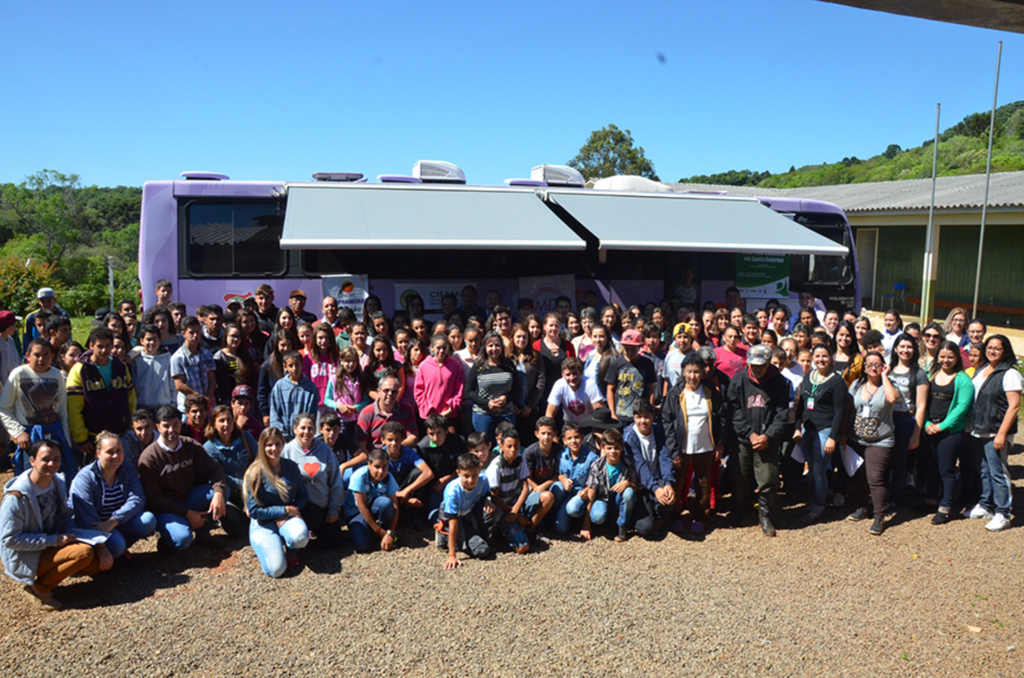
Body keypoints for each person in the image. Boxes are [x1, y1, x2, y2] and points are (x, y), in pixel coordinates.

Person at [1, 439, 110, 610]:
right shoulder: (16, 498)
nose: (52, 464)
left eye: (56, 459)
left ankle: (51, 574)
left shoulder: (56, 482)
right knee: (83, 553)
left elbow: (65, 516)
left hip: (52, 542)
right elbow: (10, 540)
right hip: (26, 554)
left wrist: (77, 538)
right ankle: (38, 588)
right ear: (32, 461)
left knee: (96, 562)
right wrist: (54, 541)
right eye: (45, 459)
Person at [137, 406, 228, 553]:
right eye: (166, 426)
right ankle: (168, 541)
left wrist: (218, 494)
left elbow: (215, 469)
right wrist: (187, 513)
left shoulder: (189, 445)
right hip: (165, 508)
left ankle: (203, 534)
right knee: (183, 540)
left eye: (175, 424)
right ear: (157, 427)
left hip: (189, 498)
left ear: (181, 424)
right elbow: (154, 499)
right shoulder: (149, 458)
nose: (171, 430)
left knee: (222, 491)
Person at [727, 344, 788, 537]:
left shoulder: (780, 382)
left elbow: (782, 414)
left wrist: (767, 436)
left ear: (769, 362)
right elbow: (733, 410)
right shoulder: (738, 381)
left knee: (768, 479)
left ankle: (765, 515)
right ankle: (738, 508)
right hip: (744, 439)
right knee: (739, 475)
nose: (758, 369)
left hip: (767, 440)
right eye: (754, 365)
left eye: (762, 365)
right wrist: (749, 434)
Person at [68, 432, 157, 560]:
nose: (115, 456)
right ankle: (104, 554)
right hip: (95, 527)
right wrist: (101, 546)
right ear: (98, 454)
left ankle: (118, 551)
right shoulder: (85, 478)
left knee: (148, 520)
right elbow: (85, 517)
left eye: (119, 451)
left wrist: (113, 521)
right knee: (117, 546)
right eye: (110, 452)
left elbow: (137, 499)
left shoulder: (128, 469)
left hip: (115, 523)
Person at [964, 335, 1020, 532]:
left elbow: (1013, 406)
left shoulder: (1010, 373)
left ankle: (1003, 512)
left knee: (998, 471)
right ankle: (986, 505)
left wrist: (1002, 434)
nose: (993, 351)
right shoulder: (982, 369)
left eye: (998, 348)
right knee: (984, 469)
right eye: (990, 347)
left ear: (1005, 351)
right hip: (978, 429)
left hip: (995, 430)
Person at [663, 353, 723, 534]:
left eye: (696, 372)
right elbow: (667, 421)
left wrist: (719, 444)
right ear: (683, 372)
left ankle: (700, 516)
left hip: (705, 446)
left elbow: (721, 418)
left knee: (703, 483)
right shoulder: (675, 393)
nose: (693, 376)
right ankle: (676, 515)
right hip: (683, 446)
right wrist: (673, 451)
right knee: (679, 482)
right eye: (689, 371)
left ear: (703, 372)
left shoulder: (711, 390)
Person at [242, 427, 310, 577]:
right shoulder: (254, 473)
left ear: (283, 444)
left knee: (300, 536)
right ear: (261, 446)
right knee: (276, 570)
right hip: (262, 523)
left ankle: (291, 550)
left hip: (288, 517)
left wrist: (292, 511)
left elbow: (302, 495)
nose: (274, 449)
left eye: (277, 444)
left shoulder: (291, 467)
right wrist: (283, 511)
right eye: (269, 445)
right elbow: (254, 511)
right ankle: (270, 546)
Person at [0, 339, 73, 477]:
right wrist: (18, 433)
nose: (41, 359)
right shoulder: (19, 374)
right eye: (37, 355)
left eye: (46, 355)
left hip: (54, 435)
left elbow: (62, 410)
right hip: (29, 438)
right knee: (31, 478)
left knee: (56, 475)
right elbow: (4, 407)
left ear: (52, 356)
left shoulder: (56, 375)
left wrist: (66, 441)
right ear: (28, 355)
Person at [792, 345, 848, 524]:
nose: (820, 360)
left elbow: (840, 412)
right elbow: (801, 405)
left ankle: (819, 508)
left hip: (825, 430)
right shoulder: (809, 376)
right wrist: (798, 427)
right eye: (817, 356)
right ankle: (812, 502)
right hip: (808, 429)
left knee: (819, 470)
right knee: (811, 470)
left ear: (830, 358)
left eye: (824, 356)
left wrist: (833, 436)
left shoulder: (837, 382)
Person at [845, 352, 899, 536]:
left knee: (875, 478)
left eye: (877, 364)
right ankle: (862, 507)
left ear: (884, 366)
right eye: (869, 364)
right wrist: (843, 433)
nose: (873, 368)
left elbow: (892, 399)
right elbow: (848, 408)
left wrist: (885, 376)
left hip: (880, 440)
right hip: (856, 438)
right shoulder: (857, 384)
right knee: (859, 475)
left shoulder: (888, 385)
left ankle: (879, 516)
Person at [66, 327, 137, 463]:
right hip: (93, 437)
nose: (104, 350)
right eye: (99, 346)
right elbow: (74, 408)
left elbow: (131, 397)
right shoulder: (80, 370)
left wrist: (130, 424)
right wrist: (81, 438)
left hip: (120, 432)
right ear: (91, 346)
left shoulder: (120, 367)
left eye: (107, 346)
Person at [923, 341, 974, 525]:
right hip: (930, 428)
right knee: (932, 467)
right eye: (942, 356)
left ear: (957, 358)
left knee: (947, 470)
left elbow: (962, 408)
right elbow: (923, 403)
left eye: (950, 357)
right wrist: (927, 423)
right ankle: (931, 499)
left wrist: (942, 426)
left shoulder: (962, 380)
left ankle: (945, 506)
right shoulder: (931, 375)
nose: (945, 360)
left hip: (950, 432)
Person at [281, 413, 345, 548]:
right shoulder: (286, 451)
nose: (306, 432)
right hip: (297, 508)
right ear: (294, 429)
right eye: (302, 428)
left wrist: (334, 509)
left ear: (315, 431)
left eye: (310, 428)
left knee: (334, 544)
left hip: (322, 507)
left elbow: (336, 482)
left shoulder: (325, 450)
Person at [568, 429, 637, 542]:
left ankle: (622, 526)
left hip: (619, 499)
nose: (613, 451)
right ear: (602, 448)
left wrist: (628, 483)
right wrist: (586, 525)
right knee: (597, 517)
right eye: (609, 448)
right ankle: (606, 520)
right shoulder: (597, 466)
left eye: (616, 448)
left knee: (629, 492)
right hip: (602, 498)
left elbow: (635, 486)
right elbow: (591, 491)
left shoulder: (628, 463)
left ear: (622, 448)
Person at [887, 334, 929, 515]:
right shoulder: (887, 370)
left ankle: (894, 500)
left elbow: (921, 406)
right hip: (886, 420)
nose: (905, 350)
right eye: (902, 346)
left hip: (906, 420)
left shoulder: (918, 374)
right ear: (895, 348)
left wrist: (916, 434)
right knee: (883, 462)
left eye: (909, 347)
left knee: (900, 463)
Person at [202, 405, 257, 538]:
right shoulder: (209, 448)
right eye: (221, 421)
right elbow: (217, 476)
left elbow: (258, 461)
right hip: (230, 493)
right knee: (241, 532)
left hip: (251, 489)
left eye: (229, 420)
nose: (226, 424)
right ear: (214, 424)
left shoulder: (246, 438)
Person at [623, 401, 676, 539]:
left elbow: (664, 457)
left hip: (656, 478)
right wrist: (656, 489)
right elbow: (640, 466)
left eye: (646, 417)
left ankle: (659, 515)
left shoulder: (657, 430)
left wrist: (667, 483)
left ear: (653, 416)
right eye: (639, 417)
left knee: (670, 498)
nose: (643, 421)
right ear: (634, 418)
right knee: (645, 529)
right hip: (638, 484)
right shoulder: (629, 437)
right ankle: (639, 516)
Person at [436, 453, 494, 569]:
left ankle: (473, 537)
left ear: (479, 470)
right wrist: (452, 556)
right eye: (466, 476)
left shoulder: (483, 479)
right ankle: (445, 537)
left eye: (474, 475)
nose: (471, 480)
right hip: (454, 518)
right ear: (458, 473)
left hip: (469, 512)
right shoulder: (452, 492)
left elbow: (486, 493)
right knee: (482, 550)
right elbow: (453, 524)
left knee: (494, 512)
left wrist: (488, 500)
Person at [482, 430, 531, 554]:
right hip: (500, 508)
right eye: (509, 446)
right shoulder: (496, 466)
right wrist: (513, 513)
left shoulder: (520, 459)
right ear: (501, 447)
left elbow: (525, 487)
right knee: (522, 548)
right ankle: (501, 529)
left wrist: (515, 510)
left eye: (516, 446)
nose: (513, 450)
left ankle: (523, 528)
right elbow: (494, 497)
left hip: (514, 504)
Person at [343, 448, 400, 553]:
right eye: (377, 467)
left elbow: (395, 505)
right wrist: (381, 533)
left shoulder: (388, 476)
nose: (381, 471)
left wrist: (391, 531)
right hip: (355, 512)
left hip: (373, 506)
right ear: (369, 464)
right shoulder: (359, 476)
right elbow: (361, 507)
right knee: (362, 546)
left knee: (386, 503)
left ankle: (383, 531)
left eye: (385, 467)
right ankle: (377, 533)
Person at [466, 331, 517, 441]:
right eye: (490, 345)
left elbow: (517, 389)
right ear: (485, 347)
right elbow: (469, 392)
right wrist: (487, 403)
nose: (494, 348)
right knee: (484, 446)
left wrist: (506, 398)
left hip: (506, 414)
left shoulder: (509, 365)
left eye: (497, 345)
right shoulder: (478, 366)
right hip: (483, 415)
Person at [355, 374, 418, 454]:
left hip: (399, 456)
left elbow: (413, 437)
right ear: (378, 391)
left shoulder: (407, 410)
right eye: (386, 390)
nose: (390, 394)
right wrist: (373, 461)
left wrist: (394, 447)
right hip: (375, 459)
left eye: (394, 391)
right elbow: (360, 444)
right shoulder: (366, 413)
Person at [604, 329, 656, 421]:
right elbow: (610, 389)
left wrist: (650, 411)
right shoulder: (616, 364)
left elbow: (650, 390)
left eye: (633, 350)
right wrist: (612, 412)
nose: (630, 353)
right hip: (620, 414)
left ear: (640, 347)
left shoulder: (647, 364)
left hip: (640, 415)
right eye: (627, 349)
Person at [520, 416, 560, 533]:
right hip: (533, 488)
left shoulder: (559, 450)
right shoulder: (530, 452)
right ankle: (531, 527)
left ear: (554, 434)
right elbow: (526, 476)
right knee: (547, 497)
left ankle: (551, 516)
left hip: (550, 485)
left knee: (560, 488)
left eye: (549, 433)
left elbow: (558, 474)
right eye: (543, 433)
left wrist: (544, 486)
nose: (546, 437)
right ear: (537, 434)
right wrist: (536, 487)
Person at [413, 334, 465, 423]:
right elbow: (418, 391)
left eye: (444, 348)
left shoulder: (455, 366)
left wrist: (450, 408)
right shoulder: (424, 366)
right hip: (429, 415)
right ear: (432, 347)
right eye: (438, 348)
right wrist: (428, 409)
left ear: (448, 347)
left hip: (449, 414)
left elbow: (459, 390)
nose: (441, 351)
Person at [508, 325, 546, 442]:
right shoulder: (507, 357)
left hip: (531, 409)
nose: (521, 340)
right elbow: (504, 383)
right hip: (512, 409)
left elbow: (541, 382)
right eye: (518, 337)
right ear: (513, 338)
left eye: (524, 337)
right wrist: (511, 404)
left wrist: (530, 405)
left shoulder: (536, 356)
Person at [170, 317, 217, 412]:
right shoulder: (178, 357)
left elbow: (212, 378)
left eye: (198, 332)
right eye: (191, 332)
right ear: (183, 334)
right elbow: (179, 385)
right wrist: (200, 398)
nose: (195, 335)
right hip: (188, 407)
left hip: (208, 405)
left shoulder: (206, 353)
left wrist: (209, 397)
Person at [269, 352, 318, 439]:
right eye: (290, 365)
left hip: (303, 436)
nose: (294, 369)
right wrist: (281, 433)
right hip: (282, 437)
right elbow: (274, 413)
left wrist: (303, 432)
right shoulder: (280, 386)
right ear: (285, 367)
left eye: (297, 365)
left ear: (302, 365)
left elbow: (311, 414)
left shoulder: (310, 387)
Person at [546, 356, 605, 426]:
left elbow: (599, 410)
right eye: (568, 375)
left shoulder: (590, 384)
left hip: (589, 425)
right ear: (562, 375)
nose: (572, 378)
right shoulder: (559, 385)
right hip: (569, 426)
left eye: (575, 374)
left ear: (581, 373)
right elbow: (549, 414)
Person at [130, 324, 175, 412]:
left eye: (155, 339)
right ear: (142, 341)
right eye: (149, 339)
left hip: (164, 407)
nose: (152, 343)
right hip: (142, 407)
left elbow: (173, 384)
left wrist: (173, 404)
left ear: (159, 340)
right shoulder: (136, 360)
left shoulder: (168, 358)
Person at [533, 313, 575, 406]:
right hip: (543, 394)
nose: (554, 328)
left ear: (560, 327)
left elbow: (574, 368)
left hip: (565, 392)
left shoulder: (568, 345)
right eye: (551, 325)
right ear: (544, 327)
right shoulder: (536, 346)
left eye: (556, 326)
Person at [23, 287, 69, 354]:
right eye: (42, 301)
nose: (46, 304)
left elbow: (67, 336)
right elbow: (27, 339)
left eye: (49, 300)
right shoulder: (32, 317)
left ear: (55, 300)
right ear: (38, 301)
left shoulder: (62, 315)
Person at [832, 320, 863, 386]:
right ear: (836, 335)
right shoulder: (828, 356)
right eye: (841, 334)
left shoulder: (858, 360)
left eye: (848, 336)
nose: (844, 338)